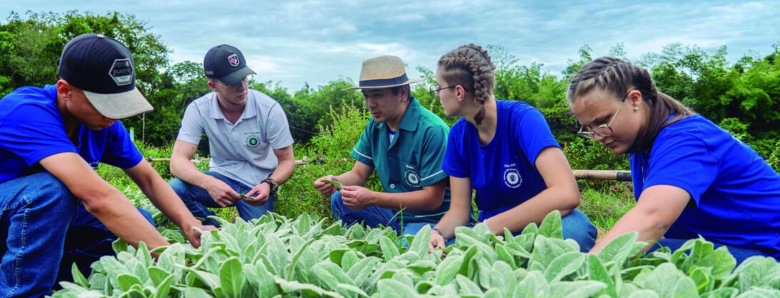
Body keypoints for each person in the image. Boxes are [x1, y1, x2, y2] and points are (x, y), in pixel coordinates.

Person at [0, 34, 212, 297]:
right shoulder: (25, 111)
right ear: (65, 90)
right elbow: (98, 198)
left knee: (137, 226)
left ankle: (38, 285)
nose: (114, 116)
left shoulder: (102, 124)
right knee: (51, 190)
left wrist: (191, 225)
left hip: (13, 222)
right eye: (105, 104)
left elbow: (148, 179)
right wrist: (170, 256)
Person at [568, 56, 780, 263]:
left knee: (644, 261)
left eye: (603, 121)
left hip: (767, 252)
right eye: (588, 127)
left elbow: (653, 218)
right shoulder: (641, 145)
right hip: (730, 247)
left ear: (635, 99)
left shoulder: (686, 140)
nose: (596, 135)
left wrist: (582, 277)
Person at [428, 44, 597, 252]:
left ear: (459, 92)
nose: (436, 94)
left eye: (438, 87)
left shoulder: (524, 119)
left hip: (539, 221)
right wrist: (436, 233)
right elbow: (459, 212)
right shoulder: (457, 136)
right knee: (447, 249)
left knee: (574, 231)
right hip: (492, 231)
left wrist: (490, 227)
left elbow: (566, 193)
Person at [313, 55, 452, 237]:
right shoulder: (376, 125)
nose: (370, 104)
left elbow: (433, 199)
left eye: (377, 95)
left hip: (431, 219)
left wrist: (372, 198)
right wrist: (335, 181)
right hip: (396, 214)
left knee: (406, 255)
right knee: (340, 198)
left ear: (402, 93)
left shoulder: (431, 130)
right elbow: (358, 174)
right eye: (366, 96)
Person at [169, 44, 295, 226]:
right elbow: (177, 161)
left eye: (244, 77)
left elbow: (287, 161)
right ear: (213, 86)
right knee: (175, 190)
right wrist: (208, 182)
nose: (242, 86)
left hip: (258, 184)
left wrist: (269, 184)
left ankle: (237, 231)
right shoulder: (199, 109)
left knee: (258, 236)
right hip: (221, 175)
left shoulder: (269, 109)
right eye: (232, 82)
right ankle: (215, 231)